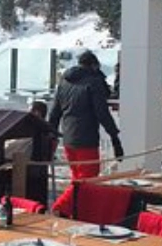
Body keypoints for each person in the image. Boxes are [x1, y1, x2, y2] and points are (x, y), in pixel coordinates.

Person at [48, 50, 122, 179]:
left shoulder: (64, 82)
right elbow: (102, 113)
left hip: (68, 139)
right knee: (88, 180)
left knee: (77, 179)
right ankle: (71, 194)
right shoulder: (93, 82)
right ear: (94, 65)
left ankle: (74, 193)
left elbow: (54, 113)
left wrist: (51, 139)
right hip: (86, 140)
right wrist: (115, 139)